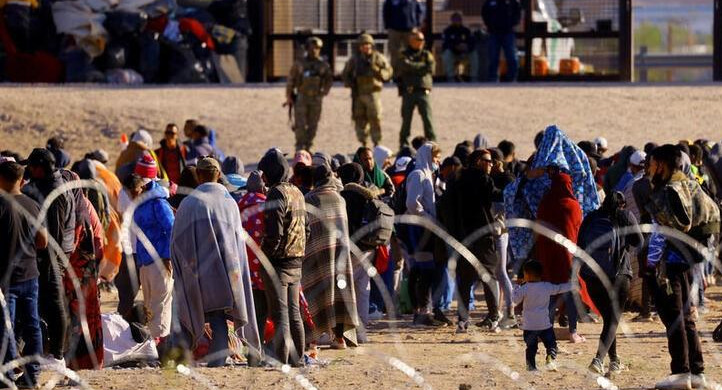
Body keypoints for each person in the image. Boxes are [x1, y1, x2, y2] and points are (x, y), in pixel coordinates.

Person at [171, 157, 261, 367]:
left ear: (199, 176)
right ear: (218, 175)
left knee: (186, 317)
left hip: (196, 274)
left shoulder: (189, 203)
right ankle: (218, 361)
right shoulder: (230, 203)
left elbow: (177, 242)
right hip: (227, 273)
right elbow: (237, 243)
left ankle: (180, 360)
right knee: (218, 317)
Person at [645, 144, 716, 390]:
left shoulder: (666, 191)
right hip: (687, 262)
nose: (649, 168)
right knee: (687, 319)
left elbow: (661, 233)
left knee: (674, 319)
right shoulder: (690, 184)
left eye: (651, 164)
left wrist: (651, 263)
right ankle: (697, 373)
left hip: (668, 264)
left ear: (661, 165)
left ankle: (681, 375)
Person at [20, 148, 75, 371]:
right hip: (46, 254)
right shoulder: (45, 185)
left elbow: (55, 234)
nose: (28, 171)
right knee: (45, 303)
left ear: (40, 168)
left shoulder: (55, 191)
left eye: (31, 167)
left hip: (53, 255)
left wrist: (44, 259)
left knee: (54, 302)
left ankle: (57, 356)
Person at [578, 191, 642, 376]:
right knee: (612, 320)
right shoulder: (625, 215)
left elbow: (580, 243)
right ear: (622, 204)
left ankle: (614, 361)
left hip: (592, 276)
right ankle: (598, 359)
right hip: (619, 274)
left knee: (609, 319)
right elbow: (639, 241)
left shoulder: (591, 217)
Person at [442, 149, 503, 333]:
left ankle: (462, 321)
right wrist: (505, 178)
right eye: (488, 161)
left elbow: (446, 207)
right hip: (482, 236)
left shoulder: (455, 179)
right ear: (478, 161)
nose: (491, 164)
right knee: (489, 277)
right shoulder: (483, 179)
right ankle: (493, 318)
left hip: (462, 237)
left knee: (465, 280)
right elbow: (496, 195)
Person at [258, 148, 309, 366]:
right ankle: (298, 360)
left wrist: (265, 256)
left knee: (280, 316)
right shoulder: (297, 192)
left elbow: (274, 233)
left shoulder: (276, 193)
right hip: (296, 260)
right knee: (294, 313)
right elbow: (306, 229)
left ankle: (281, 360)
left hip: (278, 262)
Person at [303, 156, 359, 349]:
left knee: (317, 293)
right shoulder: (339, 199)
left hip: (317, 254)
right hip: (340, 254)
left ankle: (313, 340)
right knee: (339, 294)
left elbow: (307, 229)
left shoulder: (309, 199)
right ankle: (339, 338)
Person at [0, 160, 46, 388]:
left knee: (5, 328)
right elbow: (43, 241)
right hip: (30, 275)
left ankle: (8, 377)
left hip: (6, 280)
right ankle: (32, 376)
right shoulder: (32, 205)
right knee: (32, 326)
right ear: (21, 180)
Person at [532, 165, 586, 342]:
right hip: (568, 257)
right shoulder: (573, 206)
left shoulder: (545, 203)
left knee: (549, 294)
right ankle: (572, 331)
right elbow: (579, 229)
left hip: (547, 256)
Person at [131, 155, 175, 344]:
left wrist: (168, 257)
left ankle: (160, 346)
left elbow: (172, 229)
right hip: (146, 262)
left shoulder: (158, 203)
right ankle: (152, 345)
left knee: (159, 306)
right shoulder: (142, 202)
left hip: (160, 262)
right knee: (150, 305)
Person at [404, 142, 442, 326]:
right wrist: (427, 218)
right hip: (420, 228)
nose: (437, 161)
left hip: (426, 227)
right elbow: (412, 203)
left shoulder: (427, 174)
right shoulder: (418, 175)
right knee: (425, 271)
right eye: (436, 157)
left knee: (424, 270)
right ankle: (422, 311)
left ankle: (423, 310)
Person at [513, 261, 572, 372]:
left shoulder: (524, 288)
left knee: (531, 347)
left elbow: (515, 300)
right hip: (544, 324)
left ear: (527, 275)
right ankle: (550, 358)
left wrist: (515, 287)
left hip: (529, 326)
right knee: (551, 344)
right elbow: (559, 288)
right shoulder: (546, 286)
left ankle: (531, 367)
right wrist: (571, 285)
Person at [342, 33, 393, 147]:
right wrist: (350, 83)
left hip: (373, 93)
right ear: (359, 47)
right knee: (359, 119)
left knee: (375, 118)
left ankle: (377, 142)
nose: (365, 47)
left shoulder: (377, 58)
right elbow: (345, 74)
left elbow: (388, 71)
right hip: (359, 94)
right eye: (363, 45)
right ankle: (363, 142)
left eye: (368, 45)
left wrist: (379, 72)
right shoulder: (354, 60)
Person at [286, 37, 333, 151]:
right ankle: (299, 146)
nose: (314, 50)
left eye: (317, 48)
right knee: (300, 124)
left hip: (316, 98)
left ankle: (309, 145)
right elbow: (291, 80)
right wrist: (289, 96)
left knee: (313, 123)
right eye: (312, 47)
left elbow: (328, 80)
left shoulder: (323, 65)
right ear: (307, 48)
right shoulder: (299, 64)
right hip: (302, 97)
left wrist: (324, 92)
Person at [237, 171, 268, 338]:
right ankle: (262, 347)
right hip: (262, 267)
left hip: (244, 268)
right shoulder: (267, 205)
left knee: (250, 312)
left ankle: (251, 350)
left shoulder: (237, 205)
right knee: (263, 311)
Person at [397, 31, 436, 149]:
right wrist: (421, 66)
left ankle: (432, 142)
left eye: (422, 40)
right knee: (406, 119)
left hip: (424, 91)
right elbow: (405, 66)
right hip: (409, 91)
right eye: (418, 40)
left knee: (428, 119)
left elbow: (431, 68)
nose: (421, 42)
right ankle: (403, 143)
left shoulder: (427, 54)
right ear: (411, 41)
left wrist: (413, 66)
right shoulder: (403, 54)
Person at [481, 0, 521, 82]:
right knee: (493, 57)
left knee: (511, 56)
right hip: (493, 33)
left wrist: (512, 23)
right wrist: (490, 25)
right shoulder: (489, 2)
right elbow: (484, 13)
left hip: (508, 33)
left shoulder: (513, 2)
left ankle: (512, 78)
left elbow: (517, 13)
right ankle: (493, 78)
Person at [382, 0, 422, 70]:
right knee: (394, 52)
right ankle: (395, 74)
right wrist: (388, 26)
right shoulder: (391, 1)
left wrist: (417, 25)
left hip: (410, 29)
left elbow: (419, 11)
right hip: (394, 29)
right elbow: (386, 11)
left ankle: (411, 72)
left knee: (411, 51)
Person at [441, 12, 478, 82]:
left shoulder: (466, 30)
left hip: (465, 54)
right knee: (447, 53)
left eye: (458, 19)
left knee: (474, 53)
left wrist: (467, 47)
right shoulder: (447, 31)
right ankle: (450, 77)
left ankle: (474, 77)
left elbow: (472, 43)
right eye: (455, 19)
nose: (456, 21)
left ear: (461, 20)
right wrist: (455, 47)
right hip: (454, 54)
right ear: (451, 20)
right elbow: (446, 44)